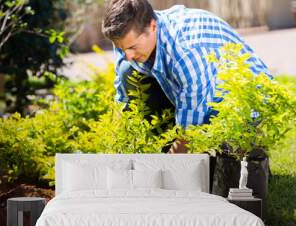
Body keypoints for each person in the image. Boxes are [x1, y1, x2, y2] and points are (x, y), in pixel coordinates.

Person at [101, 0, 272, 153]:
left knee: (221, 169)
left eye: (132, 47)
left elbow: (190, 129)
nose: (128, 55)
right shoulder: (127, 36)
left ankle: (249, 151)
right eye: (122, 49)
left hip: (239, 98)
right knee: (127, 70)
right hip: (196, 92)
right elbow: (123, 98)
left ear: (152, 27)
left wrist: (168, 170)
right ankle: (165, 147)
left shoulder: (186, 52)